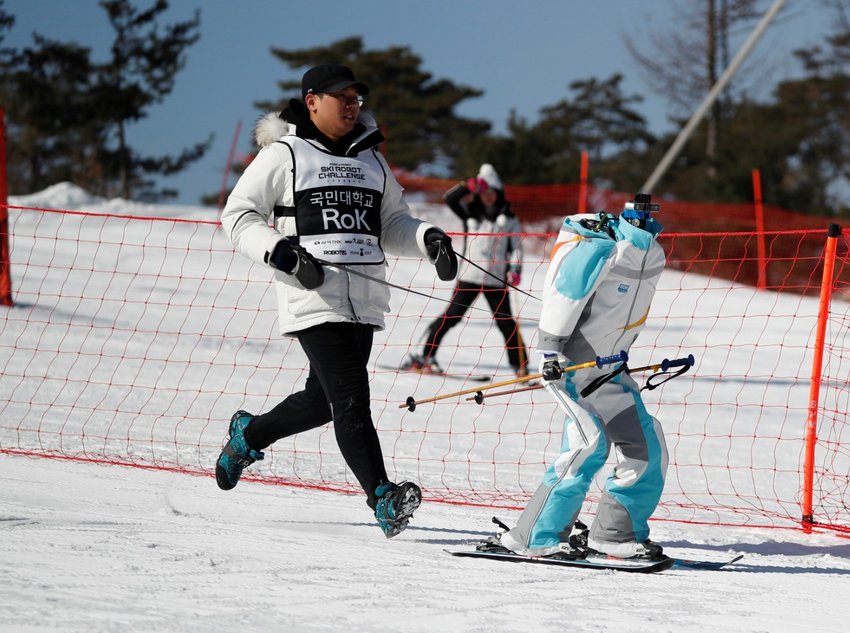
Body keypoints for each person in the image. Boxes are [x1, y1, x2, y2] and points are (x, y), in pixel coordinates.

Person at [215, 63, 458, 539]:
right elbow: (238, 215)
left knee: (322, 401)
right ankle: (383, 497)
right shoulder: (284, 154)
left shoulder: (373, 160)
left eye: (356, 99)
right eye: (341, 97)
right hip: (312, 297)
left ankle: (250, 435)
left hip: (364, 301)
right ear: (311, 101)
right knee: (351, 401)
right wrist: (282, 254)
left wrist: (429, 240)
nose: (352, 105)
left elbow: (392, 225)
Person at [484, 194, 670, 560]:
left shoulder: (652, 253)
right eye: (640, 217)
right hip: (572, 367)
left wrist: (619, 353)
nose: (647, 221)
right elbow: (565, 294)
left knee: (647, 447)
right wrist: (550, 350)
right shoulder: (604, 248)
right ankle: (533, 537)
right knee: (590, 445)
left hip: (610, 369)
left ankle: (614, 535)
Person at [402, 164, 529, 376]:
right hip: (469, 276)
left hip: (495, 280)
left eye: (491, 193)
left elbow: (516, 248)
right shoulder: (470, 211)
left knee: (507, 324)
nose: (488, 197)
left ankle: (522, 368)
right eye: (483, 193)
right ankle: (424, 356)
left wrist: (516, 269)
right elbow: (450, 198)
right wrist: (467, 187)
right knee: (451, 317)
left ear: (498, 193)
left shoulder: (510, 219)